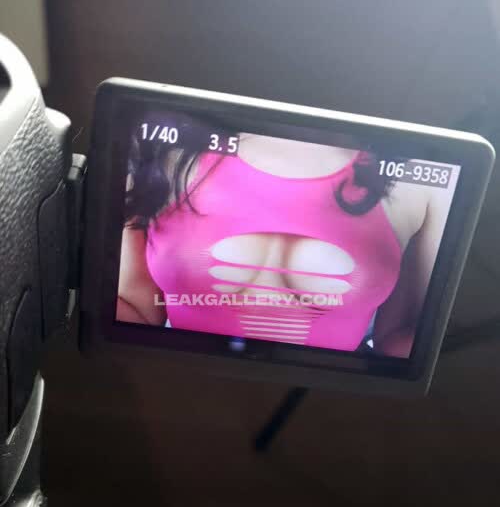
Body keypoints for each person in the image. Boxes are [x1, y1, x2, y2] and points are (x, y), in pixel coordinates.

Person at [117, 126, 454, 358]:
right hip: (177, 382)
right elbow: (138, 309)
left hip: (325, 403)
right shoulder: (160, 143)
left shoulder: (425, 174)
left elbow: (399, 343)